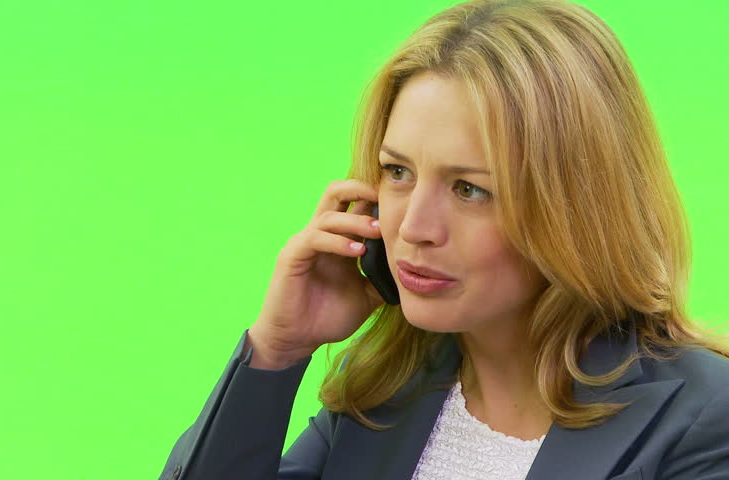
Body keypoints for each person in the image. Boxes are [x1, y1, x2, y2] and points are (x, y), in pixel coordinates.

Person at [159, 0, 729, 478]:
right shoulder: (383, 395)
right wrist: (276, 352)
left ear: (577, 208)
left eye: (469, 189)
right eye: (398, 172)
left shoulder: (703, 415)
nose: (412, 228)